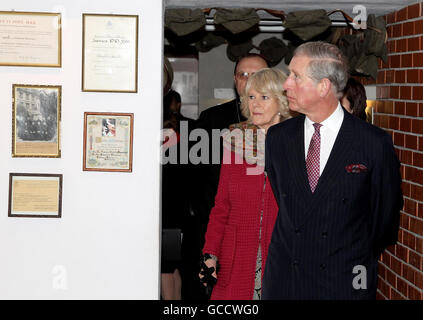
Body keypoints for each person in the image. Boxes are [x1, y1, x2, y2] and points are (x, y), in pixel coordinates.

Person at [262, 41, 403, 300]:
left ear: (323, 86)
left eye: (295, 77)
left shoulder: (372, 142)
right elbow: (286, 199)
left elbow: (384, 219)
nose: (286, 85)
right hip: (286, 282)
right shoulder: (278, 138)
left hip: (345, 283)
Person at [199, 68, 291, 300]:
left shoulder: (297, 145)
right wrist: (210, 253)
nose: (255, 104)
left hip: (282, 257)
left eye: (264, 97)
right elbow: (221, 206)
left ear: (281, 101)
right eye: (251, 97)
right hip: (237, 257)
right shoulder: (235, 142)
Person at [187, 53, 270, 300]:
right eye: (243, 75)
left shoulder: (288, 127)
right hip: (220, 232)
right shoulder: (212, 120)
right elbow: (196, 181)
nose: (249, 80)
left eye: (257, 75)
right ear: (235, 80)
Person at [161, 90, 192, 300]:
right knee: (176, 266)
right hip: (182, 206)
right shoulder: (190, 128)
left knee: (166, 266)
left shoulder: (164, 132)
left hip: (167, 206)